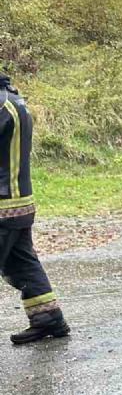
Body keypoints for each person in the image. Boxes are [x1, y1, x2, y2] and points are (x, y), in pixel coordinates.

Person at [1, 73, 70, 344]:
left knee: (21, 260)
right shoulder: (15, 101)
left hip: (3, 203)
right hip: (20, 201)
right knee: (21, 261)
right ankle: (48, 318)